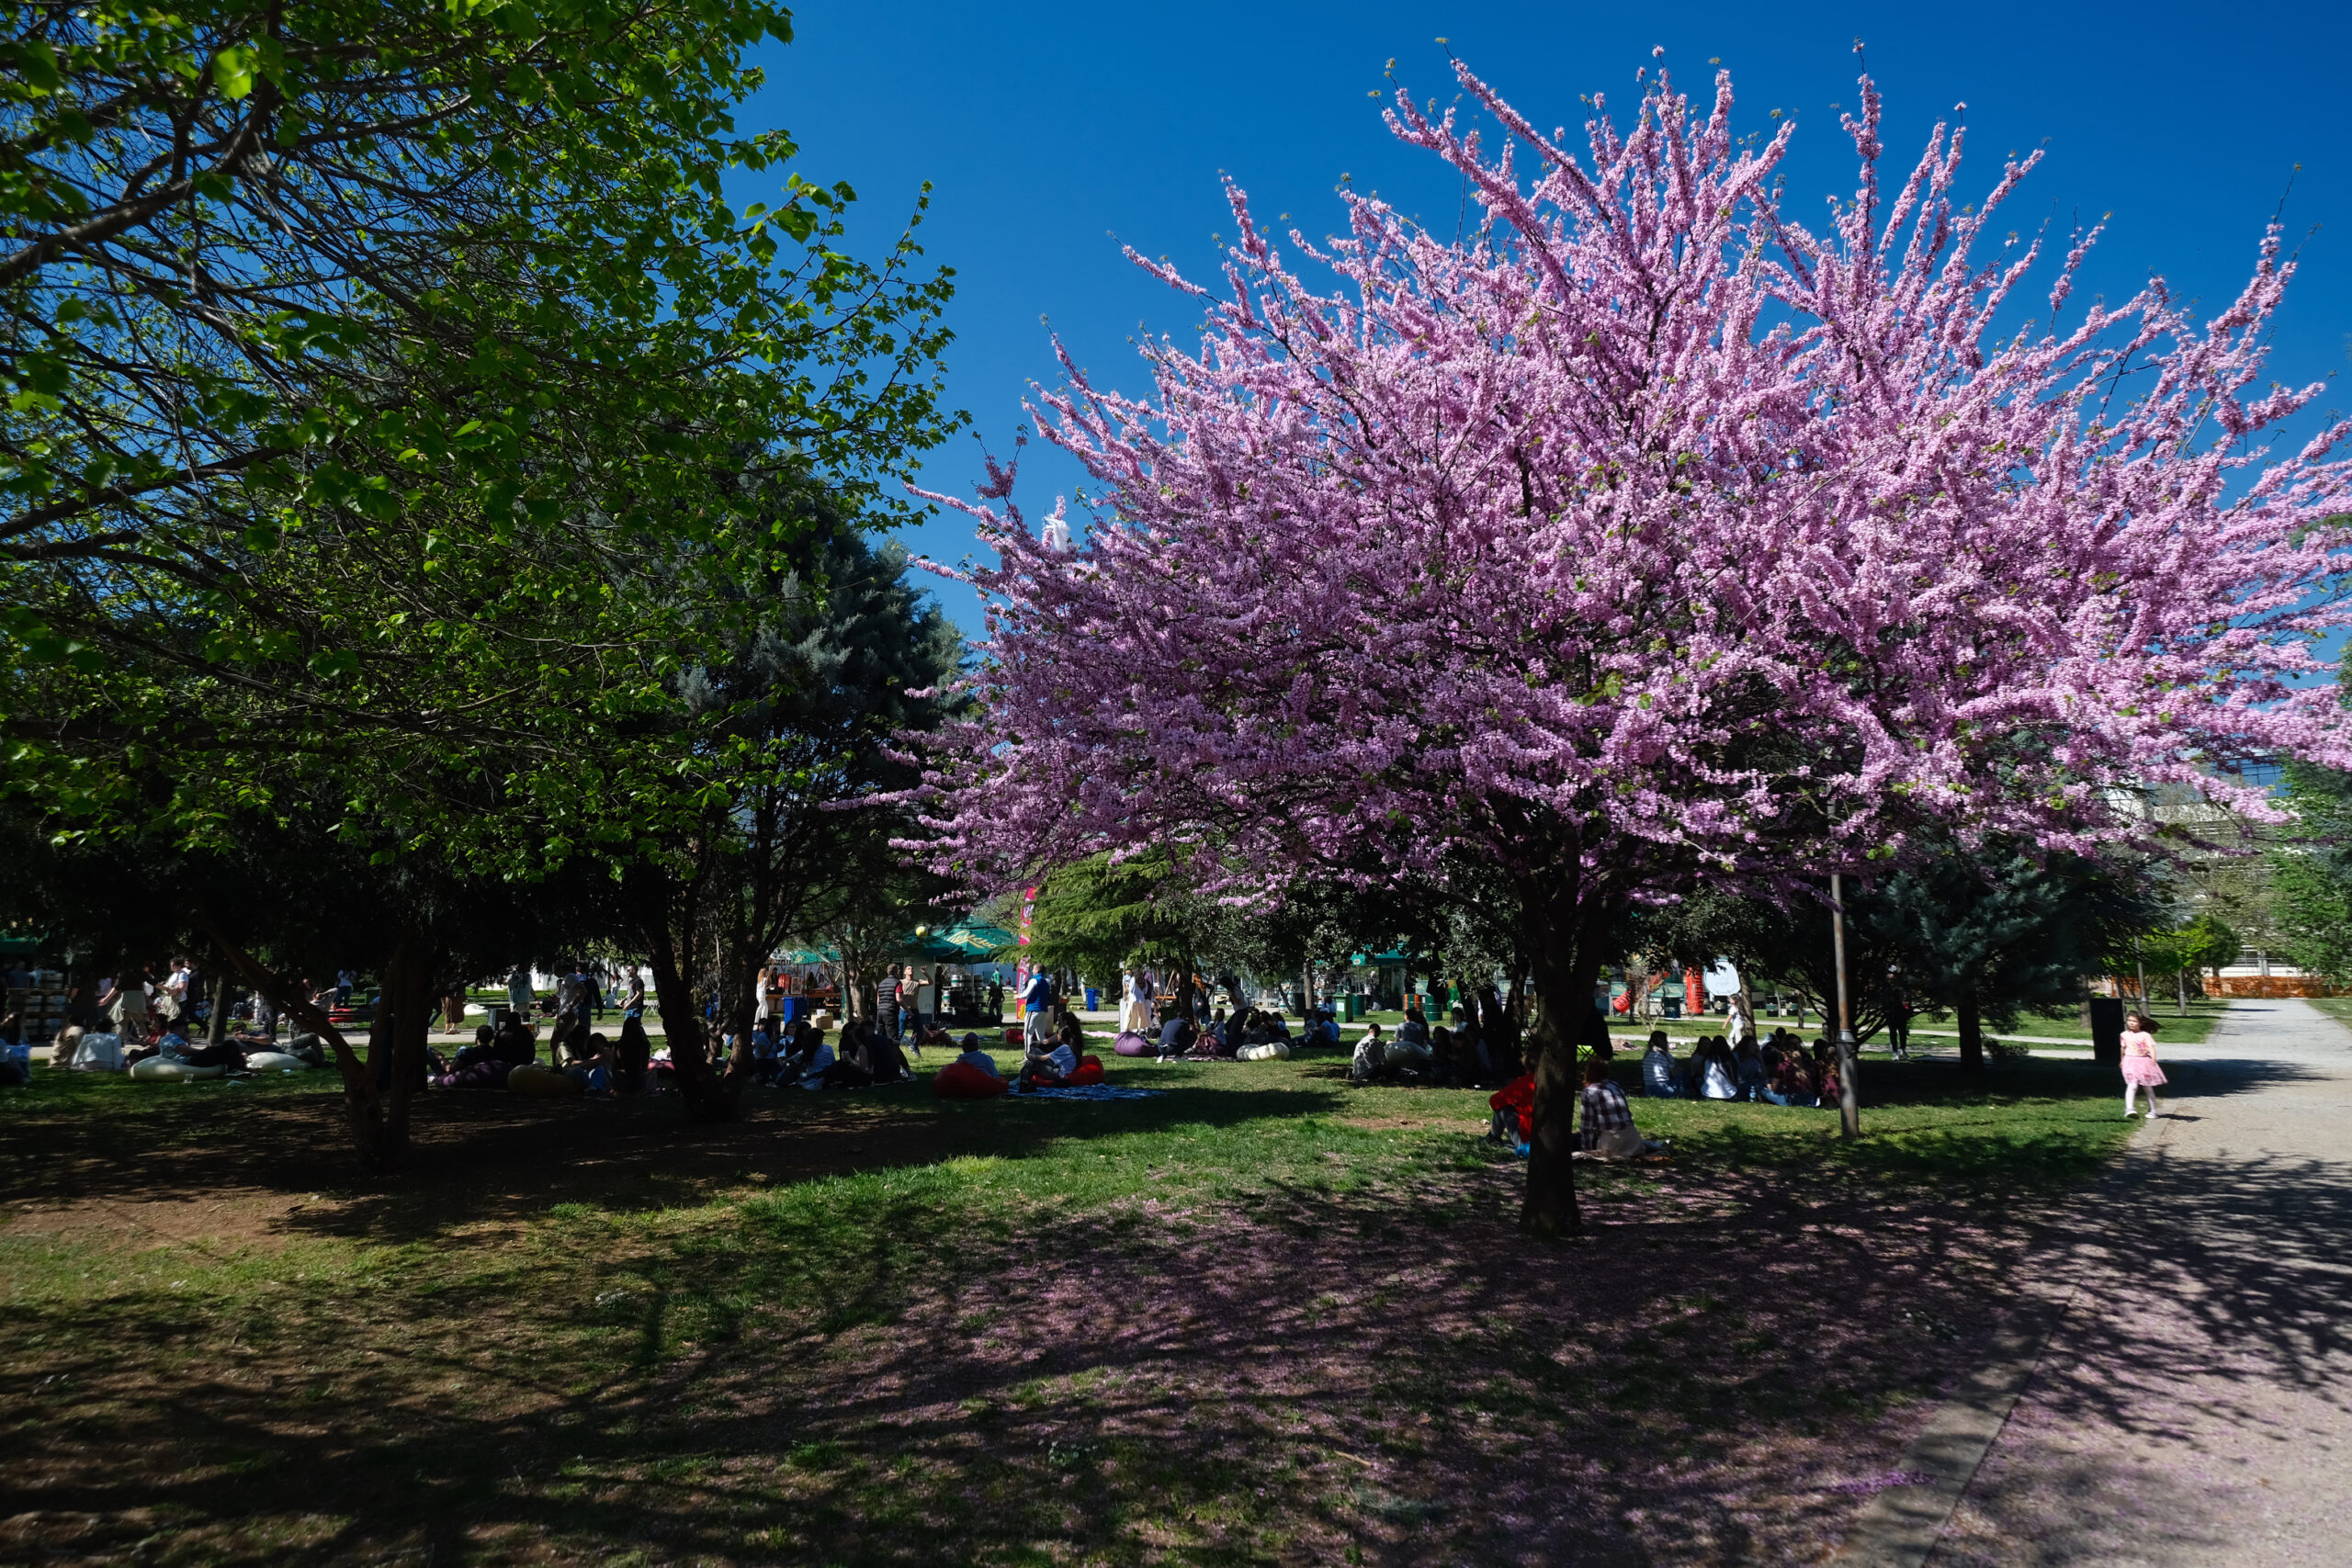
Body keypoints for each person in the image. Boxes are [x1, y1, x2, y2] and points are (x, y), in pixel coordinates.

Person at [1577, 1055, 1644, 1157]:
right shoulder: (1615, 1085)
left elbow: (1587, 1126)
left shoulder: (1589, 1092)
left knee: (1575, 1139)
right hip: (1633, 1141)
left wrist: (1586, 1150)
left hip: (1611, 1143)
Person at [2120, 1010, 2165, 1118]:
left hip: (2144, 1062)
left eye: (2134, 1021)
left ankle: (2153, 1110)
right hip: (2130, 1062)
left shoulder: (2145, 1035)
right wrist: (2122, 1059)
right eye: (2129, 1020)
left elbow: (2151, 1048)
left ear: (2140, 1023)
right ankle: (2129, 1109)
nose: (2131, 1023)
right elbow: (2123, 1048)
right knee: (2132, 1085)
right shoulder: (2124, 1034)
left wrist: (2153, 1059)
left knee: (2148, 1087)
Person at [1640, 1032, 1679, 1098]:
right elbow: (1674, 1072)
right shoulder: (1666, 1055)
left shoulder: (1647, 1054)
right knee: (1680, 1074)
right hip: (1662, 1084)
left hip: (1648, 1085)